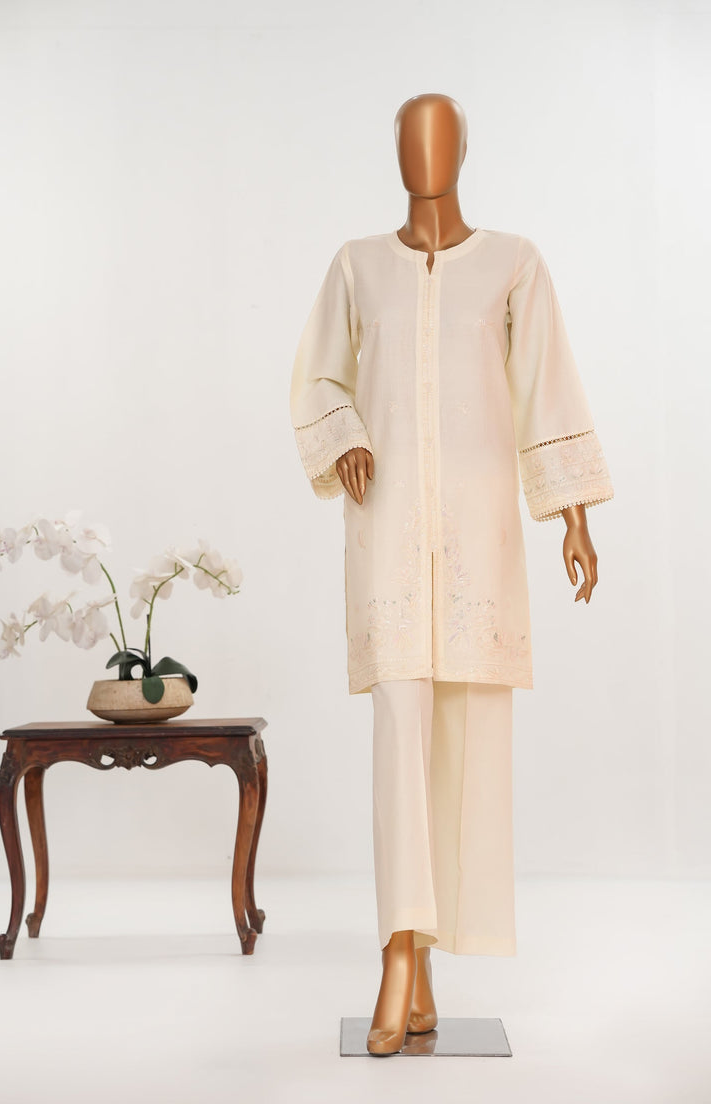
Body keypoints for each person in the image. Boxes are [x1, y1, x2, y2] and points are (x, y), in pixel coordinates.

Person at [289, 92, 614, 1056]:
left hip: (477, 539)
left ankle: (426, 964)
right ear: (396, 149)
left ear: (461, 150)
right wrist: (344, 434)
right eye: (406, 136)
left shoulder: (513, 264)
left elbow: (546, 385)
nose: (420, 153)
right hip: (388, 534)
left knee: (464, 749)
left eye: (436, 137)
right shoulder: (357, 265)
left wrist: (574, 515)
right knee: (400, 737)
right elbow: (318, 375)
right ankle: (398, 952)